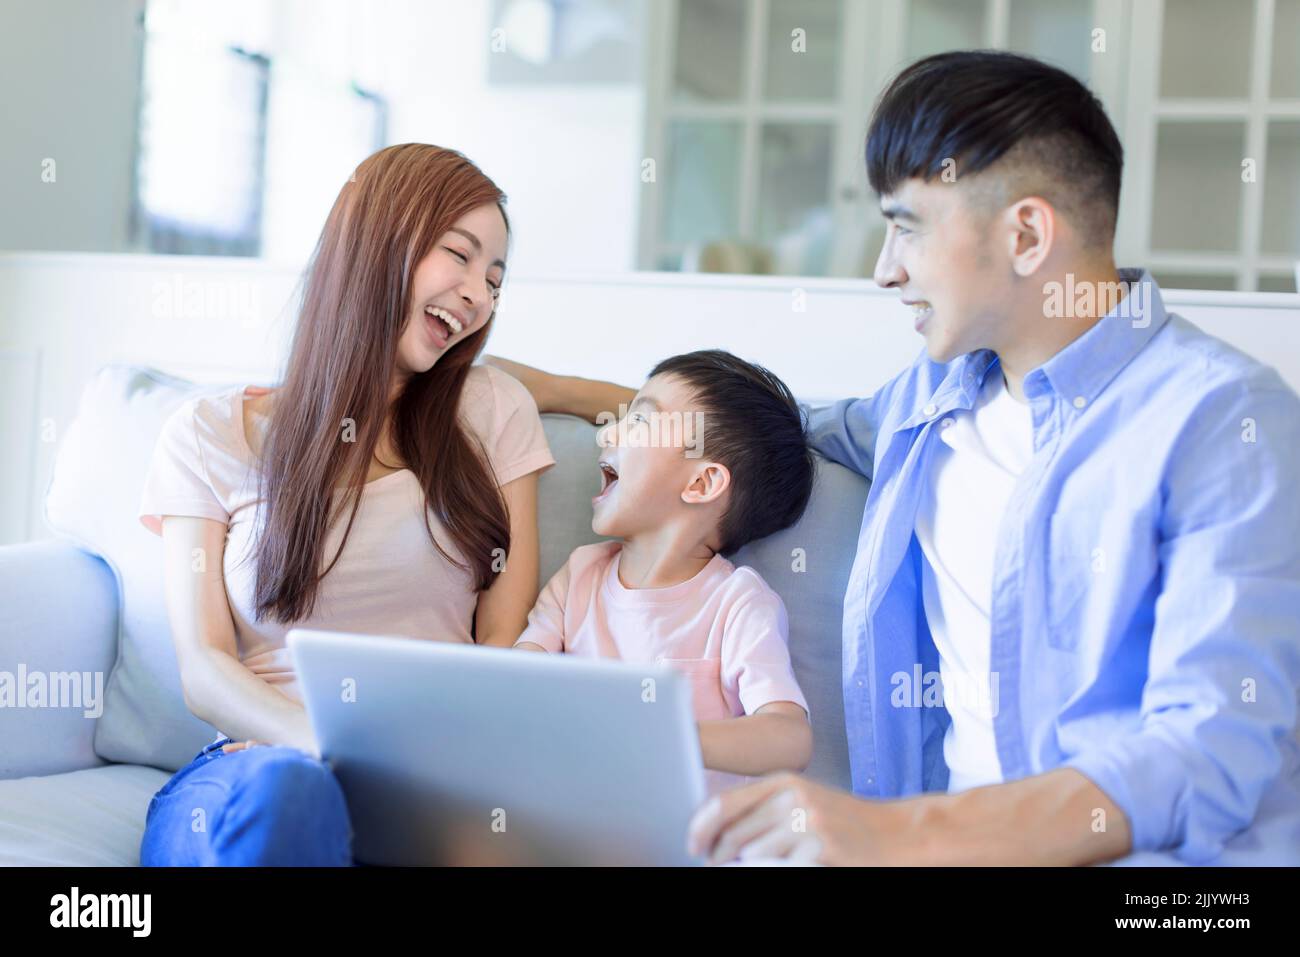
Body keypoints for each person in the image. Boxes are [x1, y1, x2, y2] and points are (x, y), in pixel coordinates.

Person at [487, 50, 1300, 866]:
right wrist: (544, 386)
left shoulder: (1225, 421)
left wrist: (894, 833)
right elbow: (752, 428)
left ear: (1026, 233)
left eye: (906, 226)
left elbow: (1208, 752)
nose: (884, 270)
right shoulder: (926, 404)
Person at [136, 144, 555, 865]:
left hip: (424, 783)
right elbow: (204, 665)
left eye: (494, 279)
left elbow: (502, 649)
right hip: (255, 771)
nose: (478, 295)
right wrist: (324, 745)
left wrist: (419, 772)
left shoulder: (492, 412)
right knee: (291, 798)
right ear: (377, 239)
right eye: (459, 254)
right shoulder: (207, 433)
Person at [514, 350, 815, 795]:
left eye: (638, 421)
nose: (607, 433)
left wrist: (668, 737)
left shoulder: (737, 603)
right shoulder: (580, 575)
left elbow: (789, 737)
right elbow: (516, 679)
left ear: (700, 484)